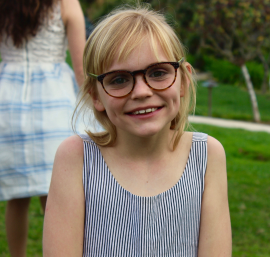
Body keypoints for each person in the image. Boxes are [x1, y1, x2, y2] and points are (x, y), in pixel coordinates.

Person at [43, 5, 232, 257]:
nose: (142, 92)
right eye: (119, 79)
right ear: (95, 95)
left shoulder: (206, 155)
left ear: (184, 81)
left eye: (158, 72)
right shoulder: (76, 157)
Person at [0, 0, 86, 256]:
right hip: (53, 102)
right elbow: (81, 66)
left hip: (7, 100)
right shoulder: (66, 4)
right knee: (55, 193)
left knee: (16, 198)